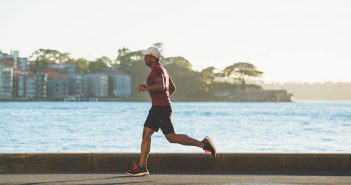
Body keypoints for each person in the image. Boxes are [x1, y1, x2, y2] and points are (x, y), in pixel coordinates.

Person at [126, 47, 216, 177]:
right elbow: (171, 88)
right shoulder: (162, 70)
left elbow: (162, 86)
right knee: (148, 134)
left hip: (159, 108)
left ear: (153, 57)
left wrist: (147, 88)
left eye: (146, 55)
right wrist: (164, 99)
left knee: (170, 137)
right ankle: (142, 166)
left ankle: (204, 144)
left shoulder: (157, 70)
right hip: (160, 107)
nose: (144, 58)